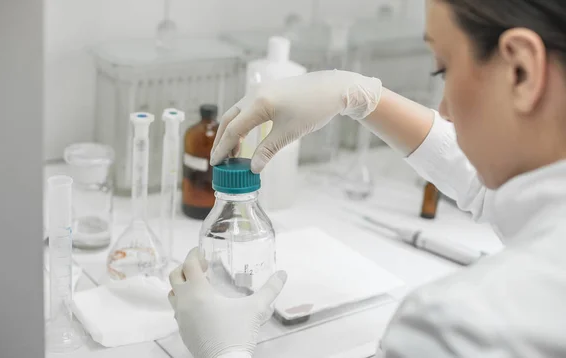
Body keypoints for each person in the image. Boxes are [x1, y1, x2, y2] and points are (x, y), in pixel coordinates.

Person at [168, 0, 566, 356]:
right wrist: (358, 95)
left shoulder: (459, 330)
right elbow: (491, 187)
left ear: (520, 71)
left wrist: (223, 350)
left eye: (443, 68)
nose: (443, 108)